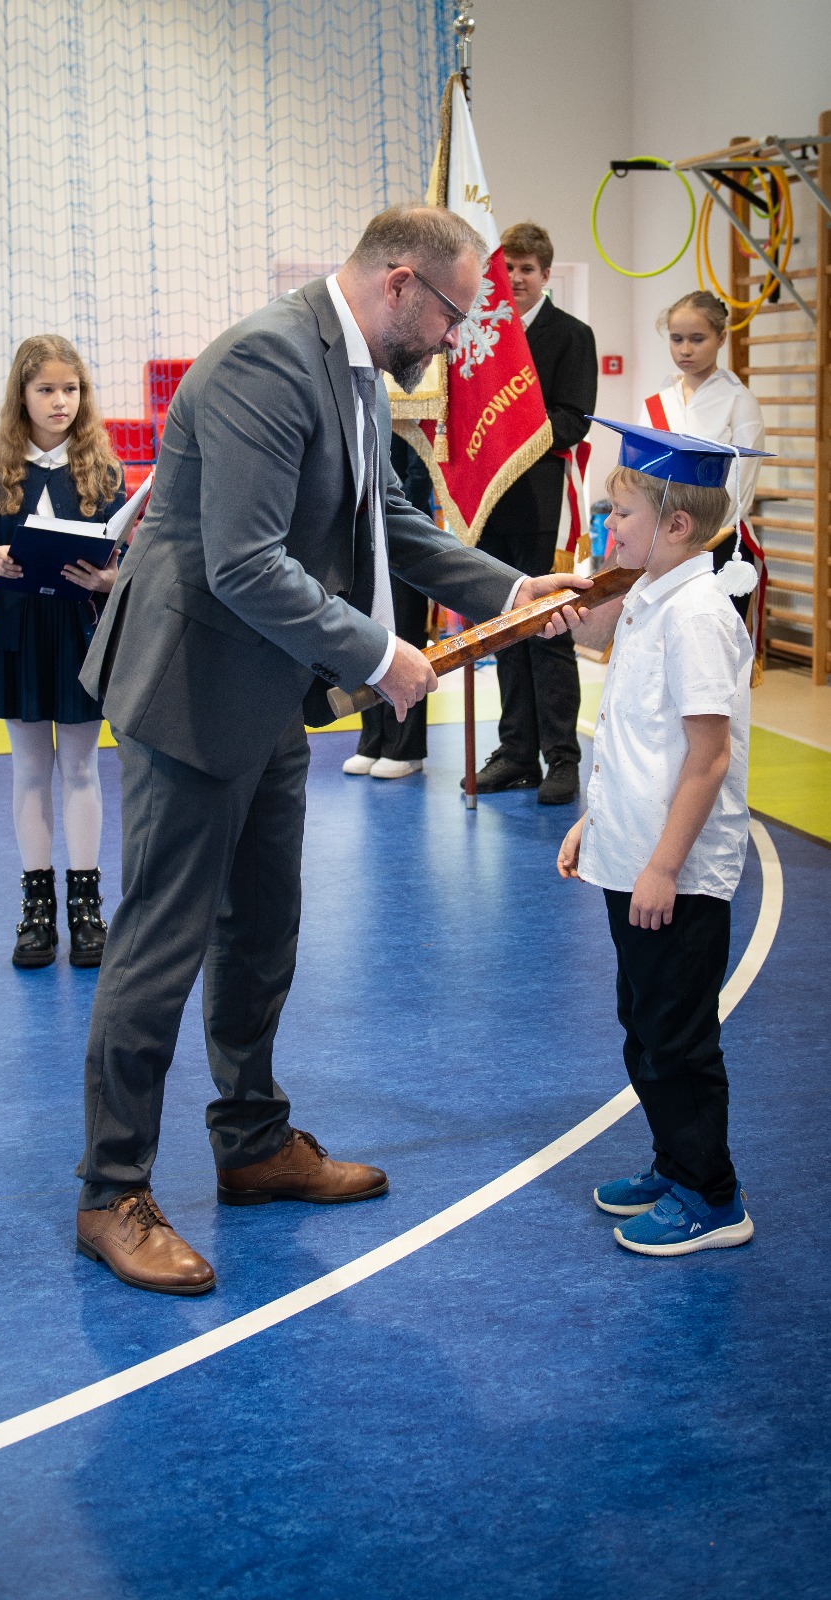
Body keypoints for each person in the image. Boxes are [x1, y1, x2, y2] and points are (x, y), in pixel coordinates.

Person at [75, 204, 590, 1297]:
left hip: (265, 692)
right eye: (451, 315)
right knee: (160, 946)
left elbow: (384, 523)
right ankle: (110, 1190)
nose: (454, 341)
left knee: (262, 928)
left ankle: (250, 1141)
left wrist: (508, 590)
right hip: (189, 690)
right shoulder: (266, 360)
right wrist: (380, 653)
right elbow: (243, 564)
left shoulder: (355, 368)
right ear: (400, 283)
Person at [557, 417, 769, 1256]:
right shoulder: (651, 597)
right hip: (634, 854)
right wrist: (594, 821)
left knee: (676, 1038)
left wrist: (662, 866)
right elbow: (636, 739)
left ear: (675, 526)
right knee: (643, 1024)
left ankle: (711, 1196)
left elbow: (706, 758)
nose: (607, 529)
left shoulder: (698, 617)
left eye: (621, 515)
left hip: (672, 874)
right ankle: (672, 1163)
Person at [0, 335, 126, 970]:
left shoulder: (104, 470)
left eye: (71, 389)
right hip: (19, 631)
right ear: (22, 395)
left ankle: (87, 909)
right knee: (30, 770)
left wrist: (108, 579)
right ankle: (36, 913)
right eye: (46, 389)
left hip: (78, 630)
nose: (61, 401)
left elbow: (122, 558)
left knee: (82, 768)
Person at [474, 222, 598, 805]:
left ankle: (562, 759)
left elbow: (573, 420)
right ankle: (516, 753)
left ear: (546, 274)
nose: (517, 278)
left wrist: (509, 428)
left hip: (545, 507)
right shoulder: (483, 333)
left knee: (549, 634)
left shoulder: (571, 335)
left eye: (527, 268)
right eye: (508, 268)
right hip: (490, 507)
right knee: (505, 633)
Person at [641, 289, 766, 627]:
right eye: (676, 339)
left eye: (697, 339)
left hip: (719, 540)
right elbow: (639, 475)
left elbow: (740, 484)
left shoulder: (739, 400)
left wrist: (691, 537)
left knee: (715, 638)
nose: (685, 349)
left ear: (721, 338)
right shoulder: (658, 401)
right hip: (662, 538)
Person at [342, 434, 433, 779]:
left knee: (404, 632)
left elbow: (419, 470)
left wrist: (391, 517)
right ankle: (373, 738)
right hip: (361, 526)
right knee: (368, 631)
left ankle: (405, 746)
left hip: (399, 524)